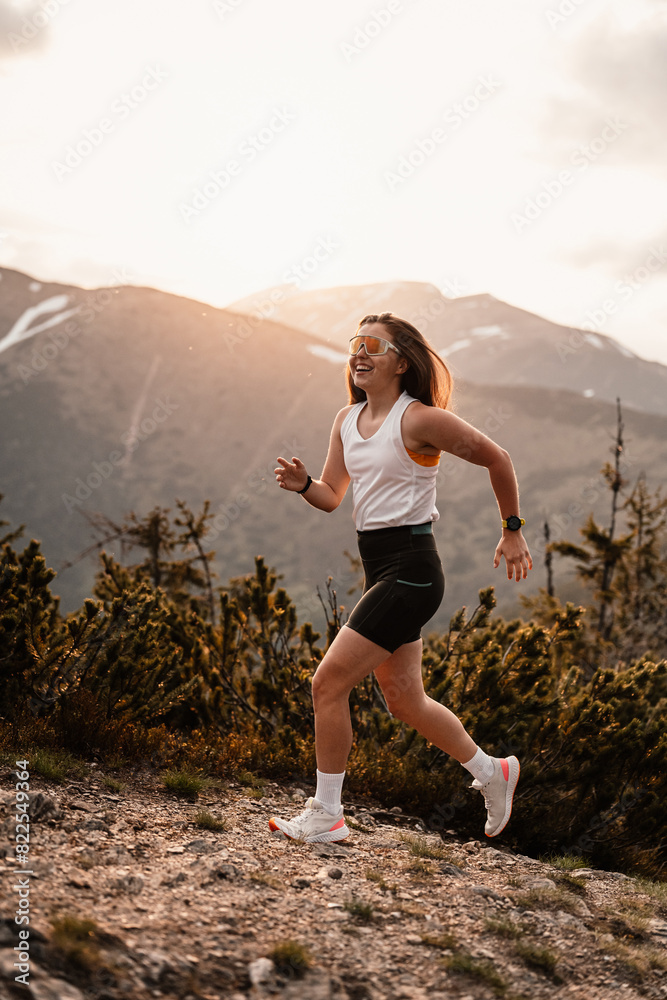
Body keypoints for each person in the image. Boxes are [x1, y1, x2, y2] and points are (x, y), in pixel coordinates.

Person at [268, 312, 532, 844]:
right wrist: (303, 485)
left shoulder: (420, 421)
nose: (359, 353)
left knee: (327, 684)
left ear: (401, 362)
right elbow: (332, 497)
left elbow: (497, 459)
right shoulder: (347, 419)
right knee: (405, 700)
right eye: (354, 344)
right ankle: (492, 772)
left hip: (412, 570)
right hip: (380, 567)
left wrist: (512, 531)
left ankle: (327, 814)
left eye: (372, 344)